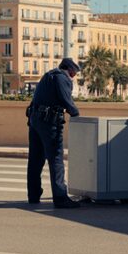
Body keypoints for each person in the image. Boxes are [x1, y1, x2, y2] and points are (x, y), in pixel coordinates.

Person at [27, 58, 82, 209]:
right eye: (74, 74)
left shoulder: (48, 76)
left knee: (35, 160)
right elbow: (66, 100)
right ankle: (60, 198)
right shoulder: (61, 78)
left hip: (35, 120)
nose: (73, 77)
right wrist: (77, 115)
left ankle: (33, 195)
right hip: (49, 123)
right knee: (56, 159)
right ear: (69, 70)